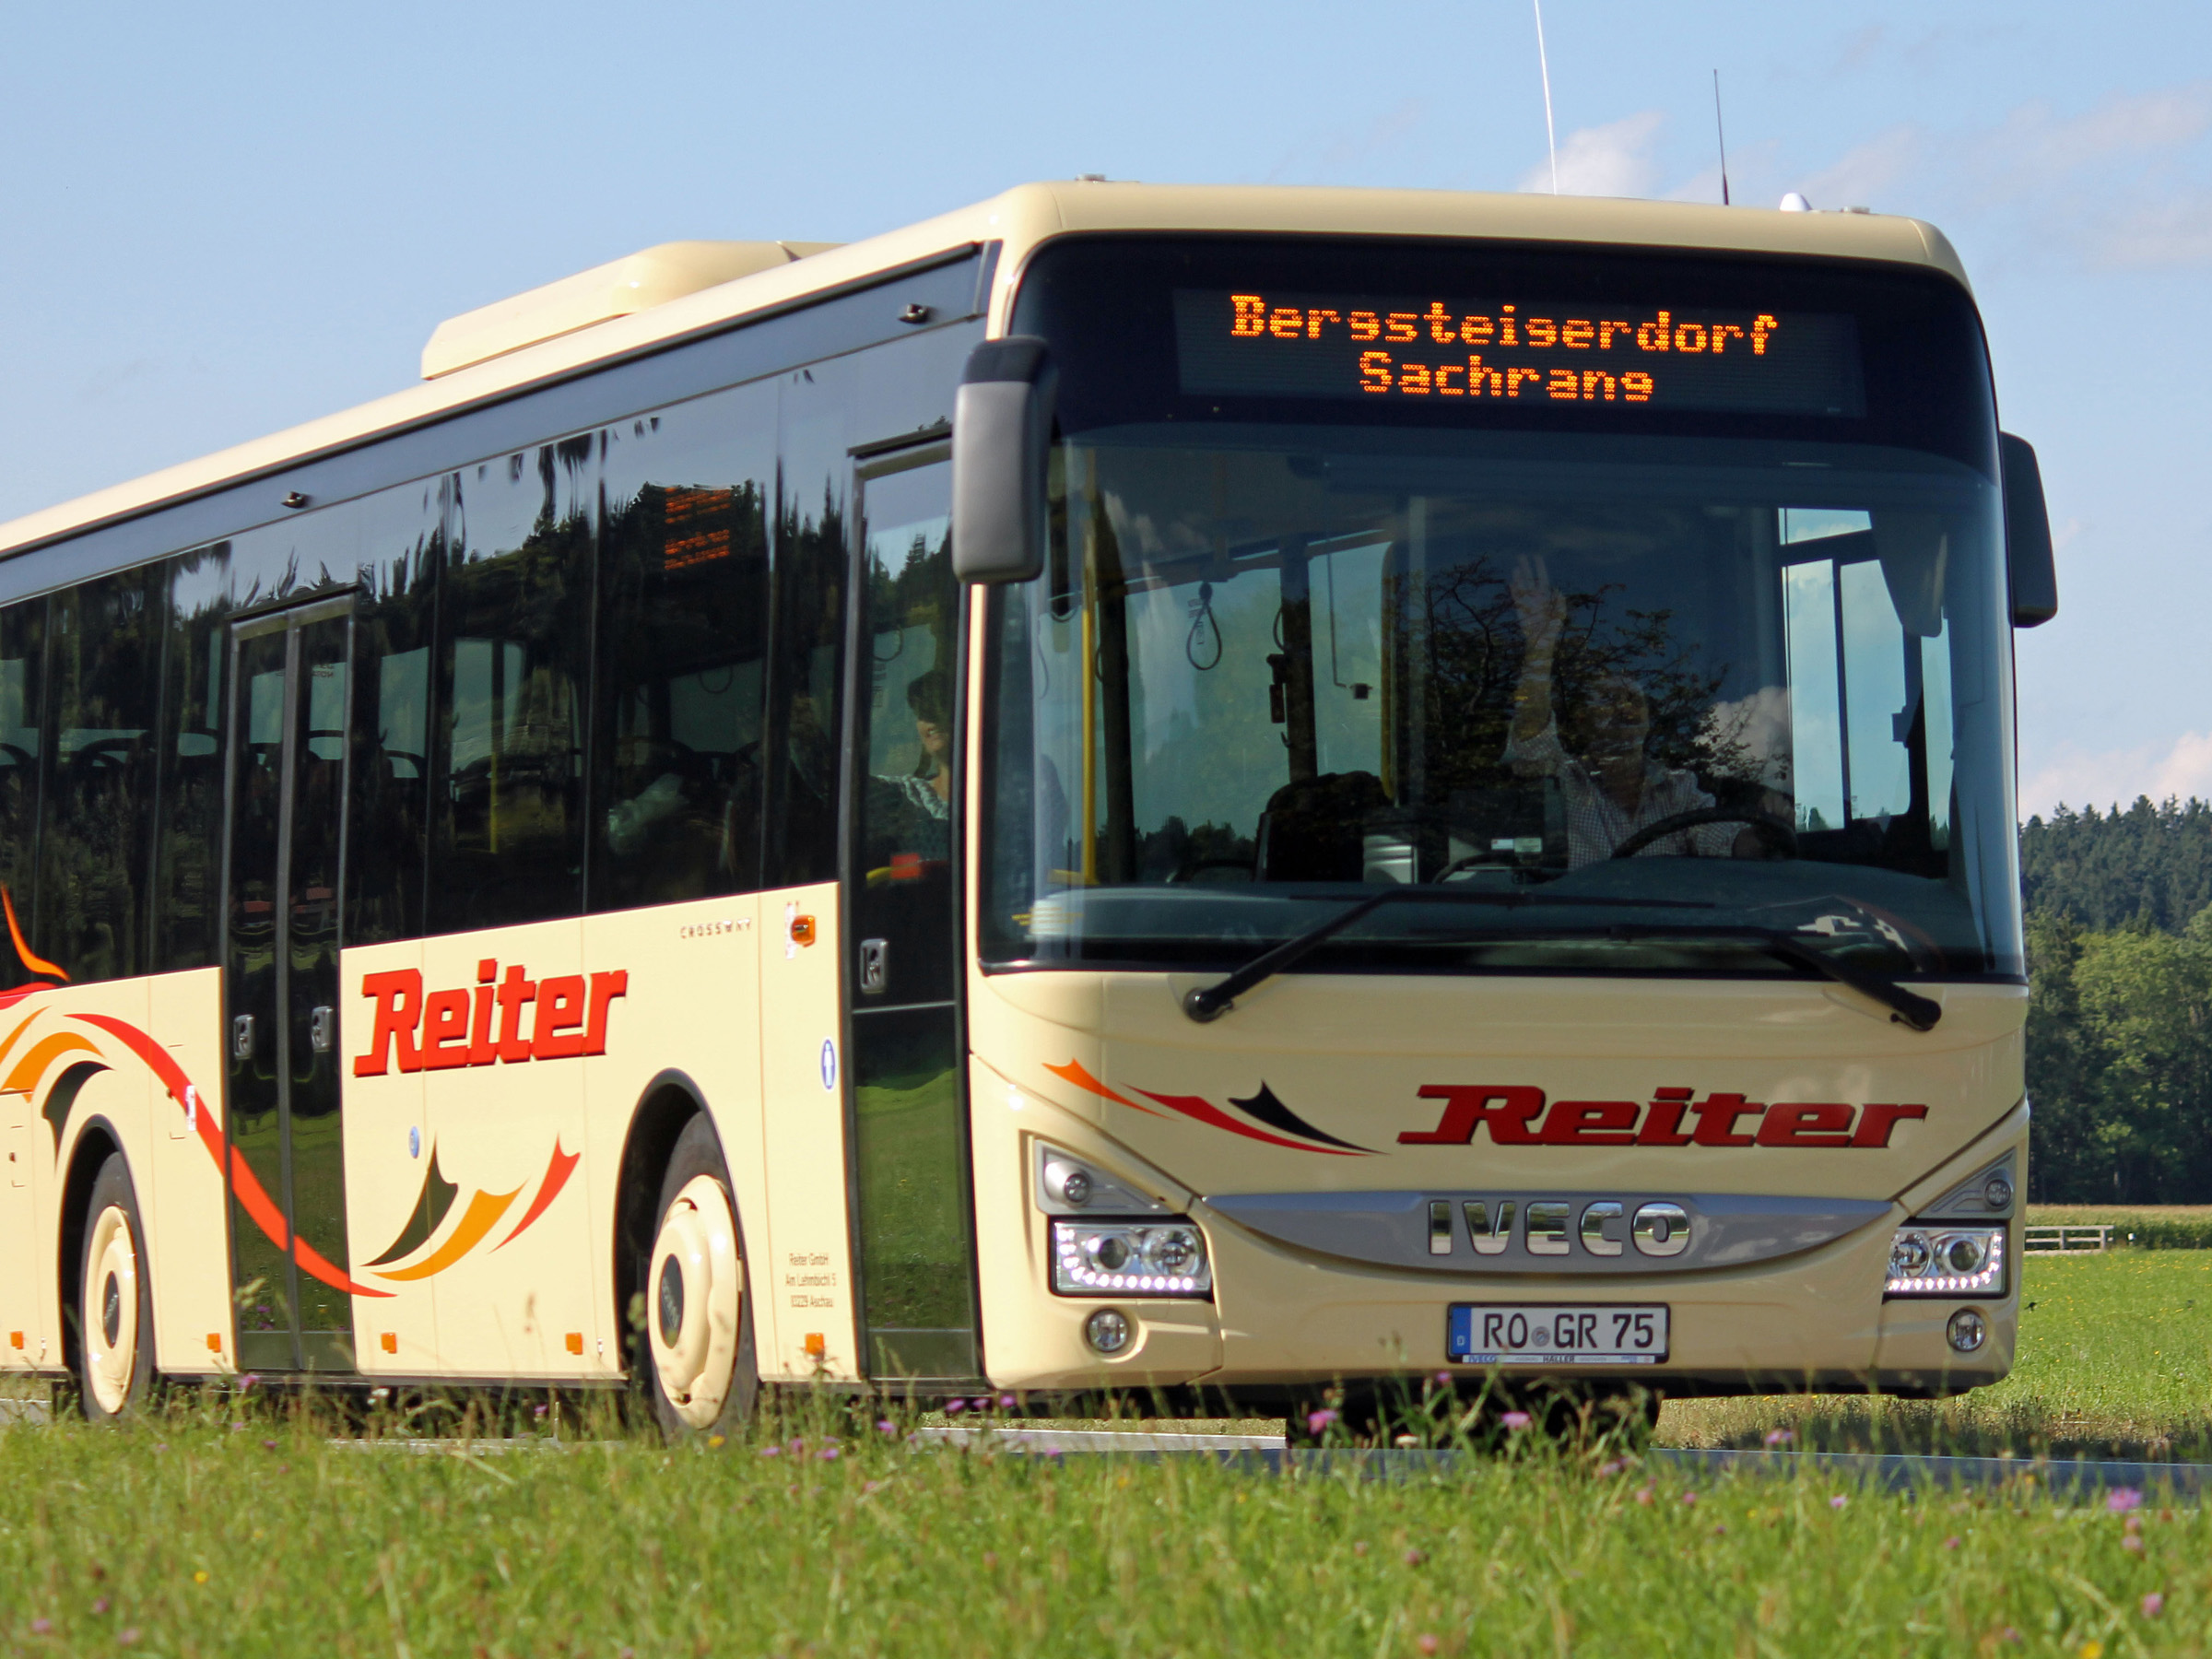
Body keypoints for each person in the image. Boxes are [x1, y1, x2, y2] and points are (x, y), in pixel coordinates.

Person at [1506, 554, 1747, 868]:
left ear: (1648, 721)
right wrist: (1539, 647)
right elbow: (1530, 737)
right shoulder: (1561, 783)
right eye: (1608, 699)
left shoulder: (1679, 791)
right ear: (1583, 721)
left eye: (1634, 700)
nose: (1624, 709)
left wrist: (1762, 839)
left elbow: (1726, 841)